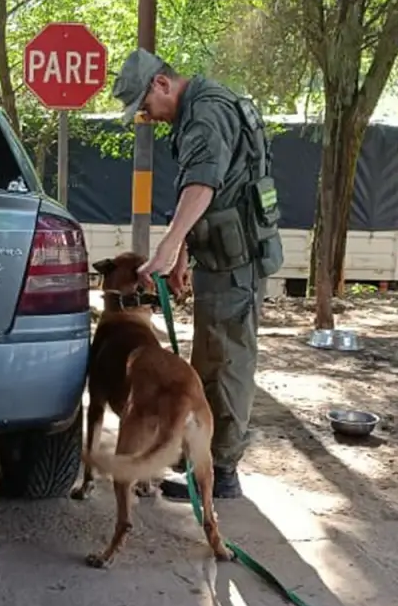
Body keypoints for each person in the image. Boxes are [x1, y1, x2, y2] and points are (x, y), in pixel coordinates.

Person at [111, 48, 283, 500]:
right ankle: (200, 459)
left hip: (236, 262)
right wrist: (184, 254)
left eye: (146, 106)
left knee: (227, 363)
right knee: (208, 358)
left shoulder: (205, 114)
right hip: (219, 255)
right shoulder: (199, 110)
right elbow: (207, 190)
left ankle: (221, 471)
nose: (148, 117)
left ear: (161, 84)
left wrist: (168, 247)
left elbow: (203, 185)